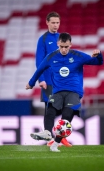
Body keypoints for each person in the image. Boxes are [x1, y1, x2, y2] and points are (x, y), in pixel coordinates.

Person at [26, 33, 103, 152]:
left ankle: (55, 144)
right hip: (57, 91)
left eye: (66, 47)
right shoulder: (51, 56)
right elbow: (40, 69)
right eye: (61, 46)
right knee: (50, 109)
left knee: (66, 117)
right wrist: (31, 83)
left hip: (74, 92)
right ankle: (47, 132)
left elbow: (98, 62)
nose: (63, 49)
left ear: (70, 45)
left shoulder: (77, 55)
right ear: (58, 44)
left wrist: (99, 55)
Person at [35, 11, 71, 147]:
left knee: (66, 107)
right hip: (48, 80)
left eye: (57, 22)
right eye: (53, 22)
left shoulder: (61, 38)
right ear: (47, 23)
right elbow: (39, 60)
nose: (56, 25)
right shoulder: (43, 39)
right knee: (49, 108)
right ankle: (49, 137)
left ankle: (61, 136)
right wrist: (41, 79)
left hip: (61, 80)